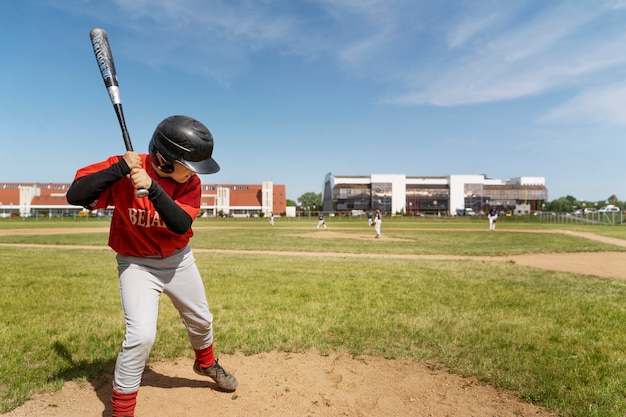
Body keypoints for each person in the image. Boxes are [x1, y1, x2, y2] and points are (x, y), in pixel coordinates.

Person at [66, 115, 237, 417]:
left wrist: (153, 189)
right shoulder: (127, 167)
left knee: (202, 321)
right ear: (167, 161)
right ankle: (121, 412)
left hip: (178, 261)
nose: (197, 174)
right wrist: (120, 168)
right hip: (135, 264)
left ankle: (206, 363)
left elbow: (180, 222)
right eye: (191, 165)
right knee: (141, 336)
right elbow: (76, 195)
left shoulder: (190, 183)